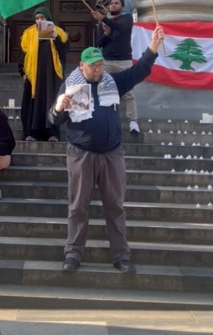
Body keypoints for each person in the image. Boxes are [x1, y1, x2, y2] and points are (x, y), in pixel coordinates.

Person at [48, 25, 165, 275]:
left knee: (115, 206)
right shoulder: (70, 86)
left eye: (100, 64)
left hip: (112, 154)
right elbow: (53, 121)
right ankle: (73, 253)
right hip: (81, 154)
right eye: (94, 66)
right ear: (82, 66)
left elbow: (138, 72)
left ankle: (121, 256)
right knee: (78, 207)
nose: (99, 69)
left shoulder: (112, 82)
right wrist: (59, 107)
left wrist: (153, 48)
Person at [19, 7, 68, 142]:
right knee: (32, 105)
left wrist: (54, 37)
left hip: (51, 76)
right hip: (32, 76)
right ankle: (31, 133)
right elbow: (23, 55)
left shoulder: (58, 32)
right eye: (37, 18)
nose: (40, 20)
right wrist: (23, 71)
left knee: (51, 103)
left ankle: (52, 133)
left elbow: (63, 53)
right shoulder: (29, 33)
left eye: (42, 18)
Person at [93, 0, 140, 134]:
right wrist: (106, 34)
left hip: (124, 61)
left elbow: (120, 28)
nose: (113, 5)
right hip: (107, 61)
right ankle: (104, 119)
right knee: (103, 91)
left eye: (116, 3)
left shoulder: (126, 19)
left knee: (129, 93)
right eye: (111, 3)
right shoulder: (104, 23)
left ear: (122, 6)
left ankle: (133, 121)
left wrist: (104, 18)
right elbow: (99, 43)